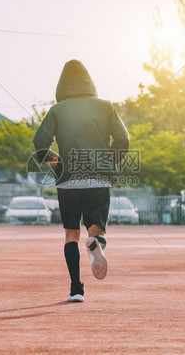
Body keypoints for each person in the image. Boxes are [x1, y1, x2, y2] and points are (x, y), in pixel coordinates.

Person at [33, 60, 130, 303]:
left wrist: (57, 163)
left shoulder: (57, 110)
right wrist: (109, 162)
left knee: (71, 234)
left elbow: (39, 143)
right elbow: (123, 139)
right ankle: (96, 244)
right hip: (98, 179)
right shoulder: (105, 106)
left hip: (68, 182)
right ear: (89, 82)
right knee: (96, 228)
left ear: (62, 85)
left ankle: (76, 289)